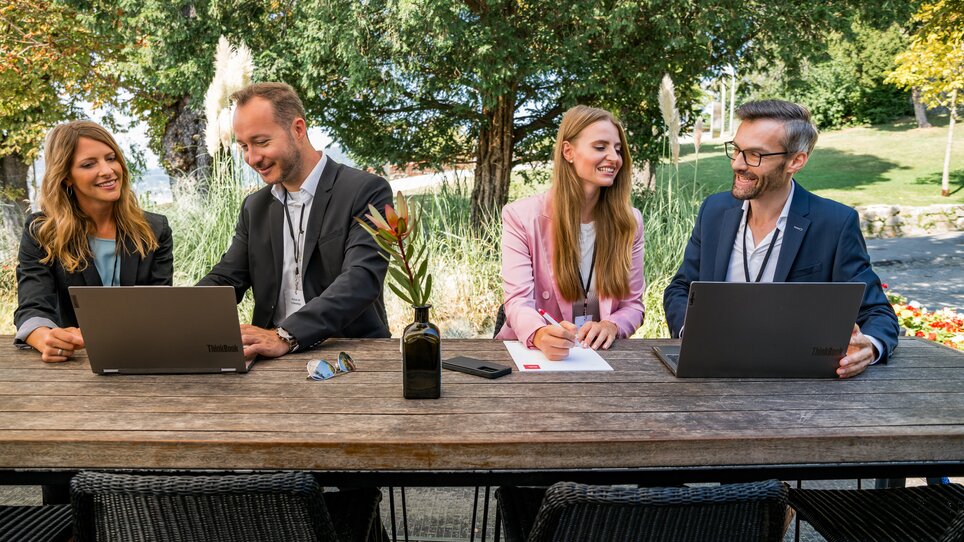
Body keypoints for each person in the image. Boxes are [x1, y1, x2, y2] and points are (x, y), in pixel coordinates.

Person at [663, 100, 899, 378]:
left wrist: (869, 348)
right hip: (712, 378)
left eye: (755, 155)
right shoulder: (713, 211)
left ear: (796, 161)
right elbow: (680, 288)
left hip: (797, 389)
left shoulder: (835, 223)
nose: (738, 164)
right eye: (737, 150)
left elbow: (878, 313)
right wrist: (692, 333)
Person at [198, 82, 392, 358]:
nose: (252, 158)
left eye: (261, 142)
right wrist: (181, 313)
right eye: (243, 146)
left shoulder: (366, 191)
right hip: (269, 356)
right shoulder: (255, 207)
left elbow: (361, 280)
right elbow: (227, 278)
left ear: (298, 129)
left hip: (349, 353)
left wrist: (285, 335)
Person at [14, 120, 173, 362]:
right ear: (66, 177)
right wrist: (45, 338)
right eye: (89, 164)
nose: (107, 170)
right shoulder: (41, 231)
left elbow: (160, 308)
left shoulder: (155, 229)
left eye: (111, 158)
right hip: (73, 364)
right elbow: (32, 307)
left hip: (143, 357)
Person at [496, 105, 645, 360]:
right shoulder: (521, 217)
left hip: (596, 358)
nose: (614, 158)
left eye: (617, 149)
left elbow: (633, 305)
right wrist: (540, 334)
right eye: (600, 147)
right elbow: (517, 302)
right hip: (532, 357)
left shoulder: (630, 221)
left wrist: (612, 325)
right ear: (568, 152)